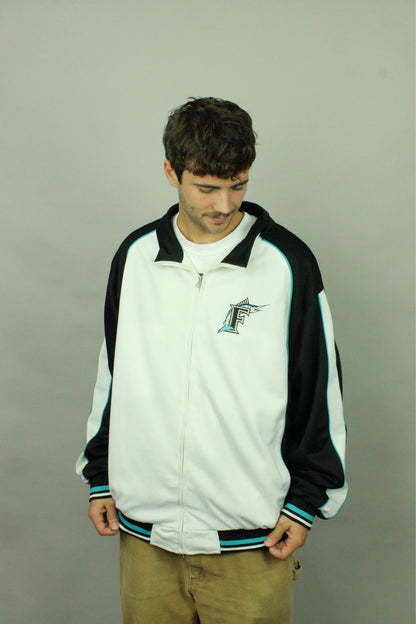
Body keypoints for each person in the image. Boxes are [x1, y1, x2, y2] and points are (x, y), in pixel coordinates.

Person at [76, 97, 347, 624]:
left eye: (238, 185)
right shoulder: (135, 258)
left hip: (252, 543)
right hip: (146, 540)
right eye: (206, 187)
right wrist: (101, 474)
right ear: (171, 173)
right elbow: (113, 375)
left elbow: (320, 389)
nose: (224, 204)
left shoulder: (287, 262)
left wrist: (306, 503)